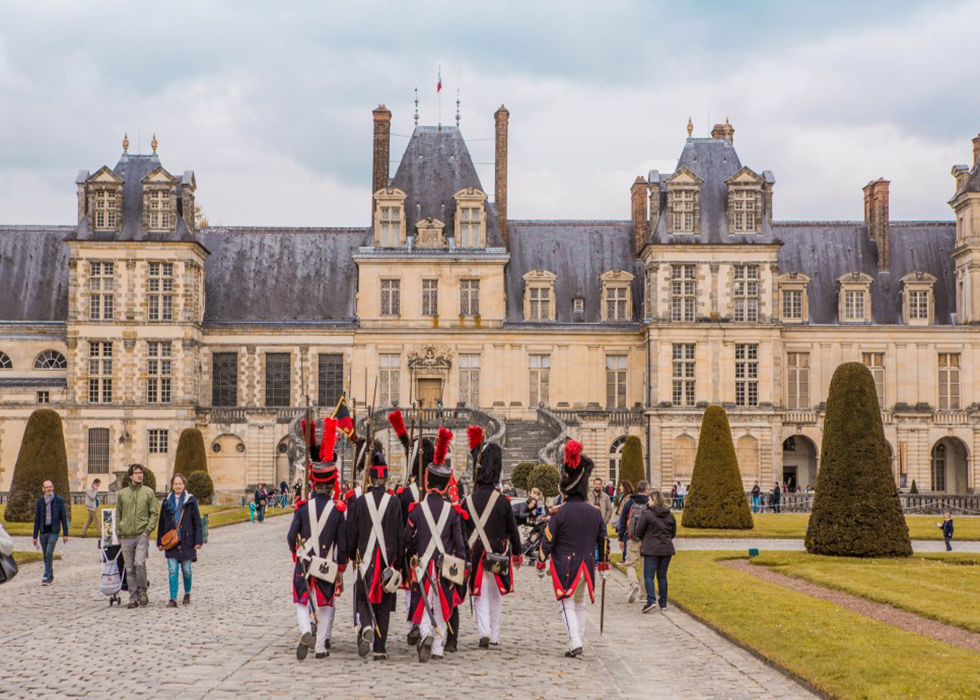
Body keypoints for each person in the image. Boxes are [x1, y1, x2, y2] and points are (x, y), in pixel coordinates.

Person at [539, 441, 609, 658]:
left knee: (565, 603)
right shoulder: (595, 512)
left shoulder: (559, 513)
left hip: (565, 564)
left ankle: (575, 641)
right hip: (587, 564)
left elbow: (548, 540)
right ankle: (577, 640)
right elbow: (603, 540)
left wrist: (541, 562)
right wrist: (603, 564)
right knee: (580, 603)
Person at [404, 427, 467, 663]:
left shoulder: (417, 509)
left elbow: (407, 537)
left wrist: (412, 551)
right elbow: (459, 544)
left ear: (428, 481)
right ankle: (439, 647)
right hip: (444, 566)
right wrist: (462, 564)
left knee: (423, 601)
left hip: (422, 563)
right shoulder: (452, 512)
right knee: (442, 604)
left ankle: (426, 634)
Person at [289, 417, 348, 661]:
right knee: (326, 605)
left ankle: (305, 631)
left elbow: (291, 536)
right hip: (326, 564)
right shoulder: (338, 510)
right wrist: (341, 567)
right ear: (333, 483)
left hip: (305, 562)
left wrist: (297, 555)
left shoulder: (302, 508)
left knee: (302, 601)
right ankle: (321, 646)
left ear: (313, 482)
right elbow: (342, 543)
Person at [462, 431, 522, 649]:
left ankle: (484, 630)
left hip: (475, 553)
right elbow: (512, 529)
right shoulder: (503, 501)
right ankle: (494, 634)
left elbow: (462, 531)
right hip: (498, 551)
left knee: (480, 594)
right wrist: (517, 552)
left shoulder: (466, 500)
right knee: (496, 595)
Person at [347, 442, 403, 661]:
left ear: (369, 479)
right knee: (384, 604)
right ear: (386, 479)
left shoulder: (360, 502)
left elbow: (352, 532)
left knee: (362, 598)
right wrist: (397, 562)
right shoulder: (395, 502)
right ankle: (380, 648)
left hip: (366, 560)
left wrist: (352, 554)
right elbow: (399, 535)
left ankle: (367, 625)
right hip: (387, 560)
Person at [389, 408, 436, 646]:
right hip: (433, 550)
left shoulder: (404, 494)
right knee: (430, 589)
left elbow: (399, 527)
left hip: (411, 553)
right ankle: (426, 625)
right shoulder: (436, 496)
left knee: (410, 590)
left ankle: (414, 624)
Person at [156, 473, 203, 607]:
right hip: (171, 543)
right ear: (172, 485)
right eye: (175, 484)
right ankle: (173, 598)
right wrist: (160, 542)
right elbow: (162, 522)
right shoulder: (167, 501)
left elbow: (197, 522)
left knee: (187, 571)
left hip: (187, 542)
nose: (178, 486)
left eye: (180, 483)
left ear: (184, 485)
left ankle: (187, 593)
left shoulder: (190, 500)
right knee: (172, 571)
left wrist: (198, 541)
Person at [117, 464, 158, 608]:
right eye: (136, 473)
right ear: (130, 476)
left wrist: (147, 530)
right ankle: (133, 597)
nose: (139, 475)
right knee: (129, 568)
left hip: (142, 534)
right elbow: (118, 514)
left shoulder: (148, 492)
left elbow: (154, 513)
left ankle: (142, 591)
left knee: (139, 563)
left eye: (141, 473)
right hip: (127, 535)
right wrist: (119, 533)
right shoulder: (122, 494)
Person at [634, 489, 677, 612]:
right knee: (662, 576)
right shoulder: (669, 514)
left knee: (648, 575)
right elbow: (673, 533)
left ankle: (651, 600)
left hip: (651, 549)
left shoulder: (647, 514)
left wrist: (646, 538)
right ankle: (663, 603)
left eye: (649, 499)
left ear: (654, 500)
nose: (648, 501)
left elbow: (639, 531)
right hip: (666, 548)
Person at [617, 480, 649, 603]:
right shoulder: (649, 502)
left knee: (630, 564)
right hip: (646, 539)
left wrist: (620, 538)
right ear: (646, 490)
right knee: (645, 566)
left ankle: (634, 583)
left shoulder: (629, 502)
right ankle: (644, 594)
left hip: (632, 538)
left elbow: (622, 521)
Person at [32, 480, 69, 585]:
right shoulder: (40, 502)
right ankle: (50, 575)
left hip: (54, 531)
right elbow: (37, 520)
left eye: (50, 487)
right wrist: (35, 536)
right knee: (45, 555)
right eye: (47, 487)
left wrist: (65, 534)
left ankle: (46, 576)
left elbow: (63, 518)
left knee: (49, 552)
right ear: (43, 489)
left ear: (53, 488)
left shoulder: (59, 500)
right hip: (43, 531)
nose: (49, 489)